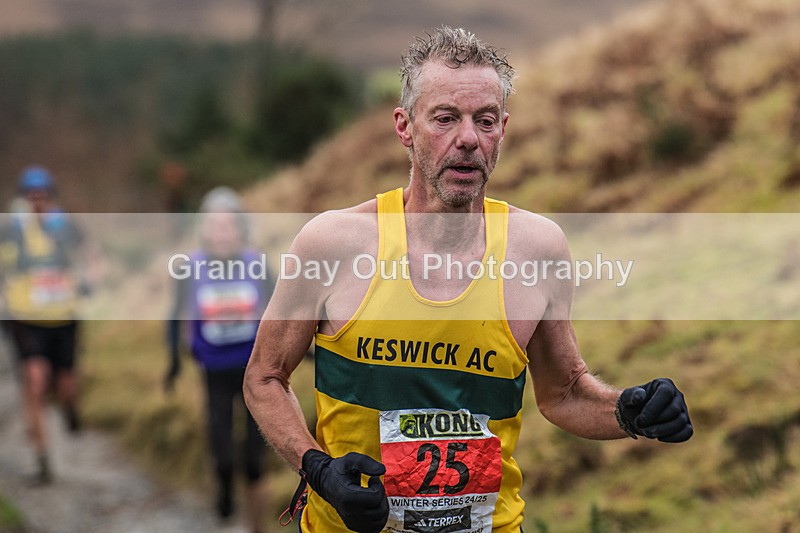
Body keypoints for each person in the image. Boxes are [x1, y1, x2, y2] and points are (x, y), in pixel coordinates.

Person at [243, 26, 693, 533]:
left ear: (502, 129)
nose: (467, 139)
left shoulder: (538, 248)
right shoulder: (332, 243)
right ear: (404, 126)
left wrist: (632, 410)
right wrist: (319, 470)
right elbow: (264, 377)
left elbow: (563, 394)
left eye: (484, 121)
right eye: (445, 119)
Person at [164, 187, 274, 533]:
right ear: (203, 230)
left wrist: (309, 352)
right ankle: (224, 486)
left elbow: (282, 315)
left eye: (229, 226)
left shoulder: (257, 264)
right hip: (214, 371)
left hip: (255, 372)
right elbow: (174, 315)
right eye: (214, 226)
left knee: (254, 461)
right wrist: (174, 362)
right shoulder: (189, 268)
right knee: (224, 455)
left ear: (241, 230)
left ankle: (257, 524)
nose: (222, 233)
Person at [0, 166, 87, 484]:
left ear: (51, 198)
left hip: (64, 317)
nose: (37, 202)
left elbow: (90, 256)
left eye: (43, 196)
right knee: (34, 382)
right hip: (25, 320)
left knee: (66, 386)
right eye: (31, 196)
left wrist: (91, 278)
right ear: (23, 198)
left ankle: (70, 409)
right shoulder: (10, 229)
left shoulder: (65, 225)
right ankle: (42, 458)